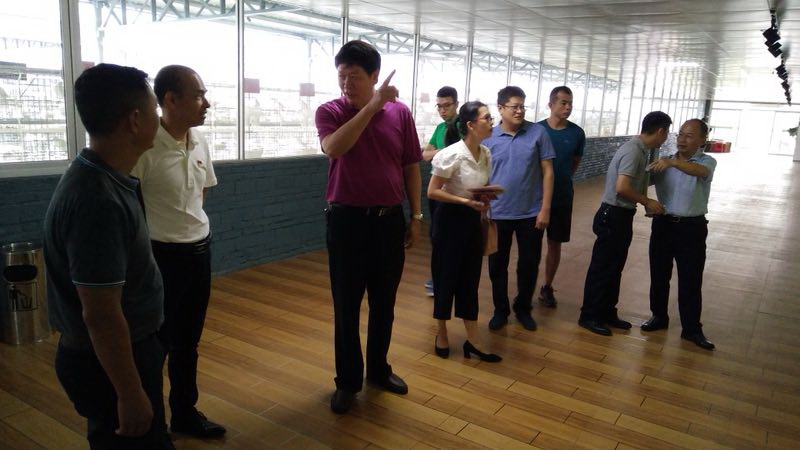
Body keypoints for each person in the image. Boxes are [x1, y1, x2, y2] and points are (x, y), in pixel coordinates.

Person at [43, 63, 172, 449]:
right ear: (135, 120)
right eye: (155, 110)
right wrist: (129, 394)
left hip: (122, 352)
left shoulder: (105, 177)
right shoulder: (97, 200)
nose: (160, 118)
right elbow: (100, 314)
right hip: (110, 363)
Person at [315, 40, 423, 414]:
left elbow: (411, 164)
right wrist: (373, 106)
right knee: (346, 305)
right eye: (342, 76)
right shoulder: (330, 111)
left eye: (355, 76)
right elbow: (334, 147)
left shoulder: (401, 113)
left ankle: (378, 370)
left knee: (384, 302)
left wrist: (416, 215)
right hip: (346, 222)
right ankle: (347, 381)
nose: (347, 83)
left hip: (388, 221)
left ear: (375, 75)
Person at [130, 65, 225, 437]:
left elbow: (201, 193)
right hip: (160, 258)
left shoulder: (198, 140)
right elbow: (131, 208)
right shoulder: (144, 146)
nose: (207, 103)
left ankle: (185, 413)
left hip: (199, 252)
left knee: (189, 341)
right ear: (170, 99)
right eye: (199, 95)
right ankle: (152, 425)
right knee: (156, 345)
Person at [578, 111, 671, 336]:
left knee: (614, 267)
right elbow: (622, 188)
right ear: (660, 131)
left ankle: (607, 311)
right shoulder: (634, 152)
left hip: (621, 215)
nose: (666, 137)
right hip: (613, 215)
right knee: (603, 268)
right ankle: (589, 315)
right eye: (667, 132)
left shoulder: (640, 150)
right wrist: (647, 201)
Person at [428, 101, 501, 363]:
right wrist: (464, 202)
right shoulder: (452, 154)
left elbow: (481, 185)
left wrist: (485, 197)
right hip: (449, 220)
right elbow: (432, 191)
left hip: (472, 220)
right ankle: (441, 332)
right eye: (487, 118)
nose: (491, 122)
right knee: (445, 276)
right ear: (470, 125)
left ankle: (473, 338)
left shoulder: (486, 153)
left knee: (470, 278)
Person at [483, 86, 555, 331]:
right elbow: (482, 175)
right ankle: (500, 310)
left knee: (529, 265)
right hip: (497, 213)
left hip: (530, 213)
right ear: (500, 108)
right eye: (514, 106)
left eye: (522, 106)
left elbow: (548, 172)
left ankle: (523, 308)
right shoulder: (488, 137)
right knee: (497, 265)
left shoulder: (538, 133)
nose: (520, 111)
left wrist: (545, 208)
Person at [642, 119, 717, 350]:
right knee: (659, 274)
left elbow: (701, 172)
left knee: (690, 279)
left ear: (702, 140)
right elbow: (643, 179)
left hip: (691, 228)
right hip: (663, 225)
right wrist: (646, 201)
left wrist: (672, 163)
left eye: (689, 136)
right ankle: (658, 316)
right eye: (680, 134)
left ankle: (692, 329)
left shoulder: (706, 161)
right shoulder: (664, 162)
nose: (682, 139)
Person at [537, 86, 585, 307]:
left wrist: (561, 181)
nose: (568, 107)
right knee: (532, 246)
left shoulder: (577, 133)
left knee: (555, 244)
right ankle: (526, 288)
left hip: (562, 198)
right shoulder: (536, 130)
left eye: (570, 103)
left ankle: (547, 286)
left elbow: (573, 164)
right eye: (563, 103)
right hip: (535, 199)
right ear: (551, 104)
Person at [422, 86, 459, 297]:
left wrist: (436, 153)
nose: (442, 110)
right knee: (436, 236)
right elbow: (425, 155)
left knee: (450, 237)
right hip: (436, 189)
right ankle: (438, 278)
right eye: (439, 106)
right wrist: (444, 151)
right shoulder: (440, 128)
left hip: (454, 191)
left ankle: (447, 280)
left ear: (456, 104)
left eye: (447, 105)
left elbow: (460, 154)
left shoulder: (463, 126)